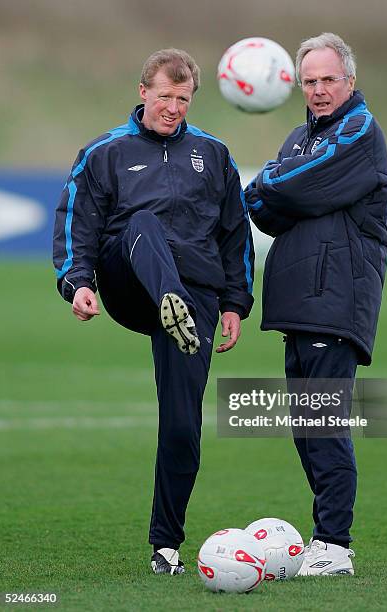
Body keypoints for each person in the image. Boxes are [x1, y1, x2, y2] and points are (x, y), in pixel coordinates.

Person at [53, 48, 254, 575]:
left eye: (183, 98)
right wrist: (76, 283)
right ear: (143, 91)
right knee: (142, 224)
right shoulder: (105, 152)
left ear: (193, 99)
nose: (173, 107)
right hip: (131, 282)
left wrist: (235, 302)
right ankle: (172, 303)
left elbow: (236, 235)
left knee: (183, 424)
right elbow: (77, 222)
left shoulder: (213, 153)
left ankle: (166, 547)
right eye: (164, 95)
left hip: (199, 297)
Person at [245, 32, 387, 575]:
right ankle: (323, 538)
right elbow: (267, 211)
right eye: (310, 81)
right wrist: (275, 187)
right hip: (299, 301)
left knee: (324, 422)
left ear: (350, 81)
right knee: (306, 427)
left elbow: (291, 190)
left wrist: (270, 182)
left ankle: (335, 543)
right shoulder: (298, 139)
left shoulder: (358, 128)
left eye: (330, 79)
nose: (320, 90)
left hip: (337, 295)